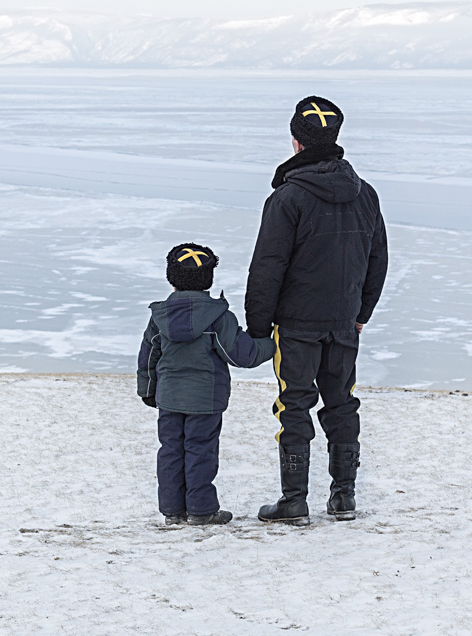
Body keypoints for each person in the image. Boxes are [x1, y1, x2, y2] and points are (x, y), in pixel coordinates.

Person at [246, 96, 389, 523]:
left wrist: (257, 325)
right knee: (341, 403)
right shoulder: (366, 194)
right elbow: (377, 258)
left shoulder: (288, 198)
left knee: (293, 405)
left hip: (296, 325)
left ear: (296, 142)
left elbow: (268, 266)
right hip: (344, 321)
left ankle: (294, 499)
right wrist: (361, 312)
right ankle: (343, 496)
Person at [137, 242, 275, 526]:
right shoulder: (218, 317)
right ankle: (201, 511)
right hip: (206, 399)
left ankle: (173, 511)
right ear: (209, 278)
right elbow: (242, 354)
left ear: (171, 278)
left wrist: (148, 391)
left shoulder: (159, 317)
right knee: (201, 450)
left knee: (171, 451)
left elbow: (148, 358)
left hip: (169, 398)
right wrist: (272, 344)